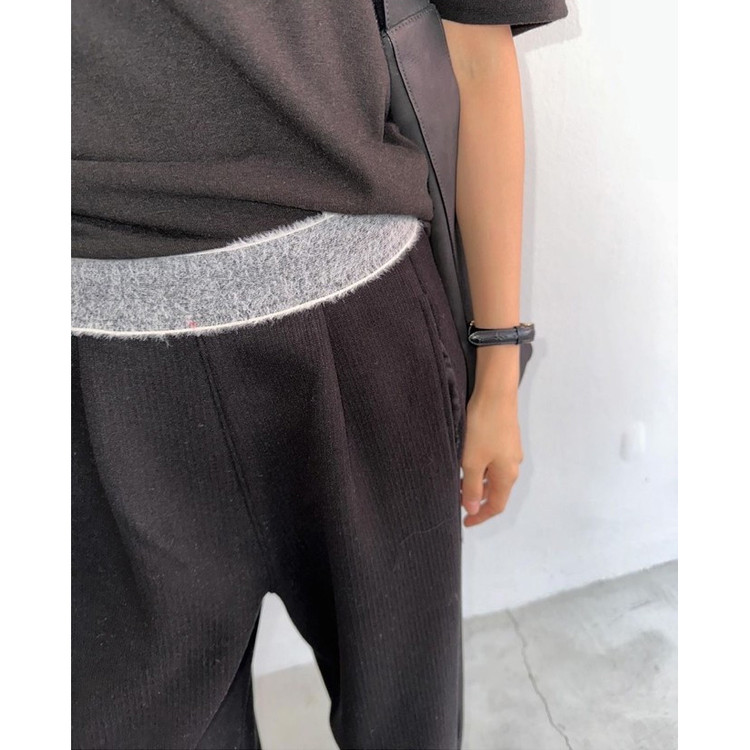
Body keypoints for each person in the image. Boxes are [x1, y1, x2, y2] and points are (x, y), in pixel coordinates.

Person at [71, 1, 568, 748]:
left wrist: (498, 366)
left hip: (362, 337)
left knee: (408, 725)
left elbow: (478, 52)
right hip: (91, 354)